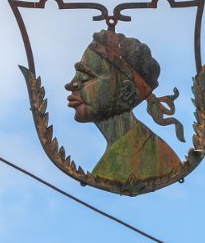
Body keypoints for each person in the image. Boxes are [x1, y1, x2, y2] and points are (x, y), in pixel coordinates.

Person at [65, 30, 181, 182]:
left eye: (85, 77)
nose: (71, 85)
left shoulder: (153, 158)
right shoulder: (135, 150)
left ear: (126, 92)